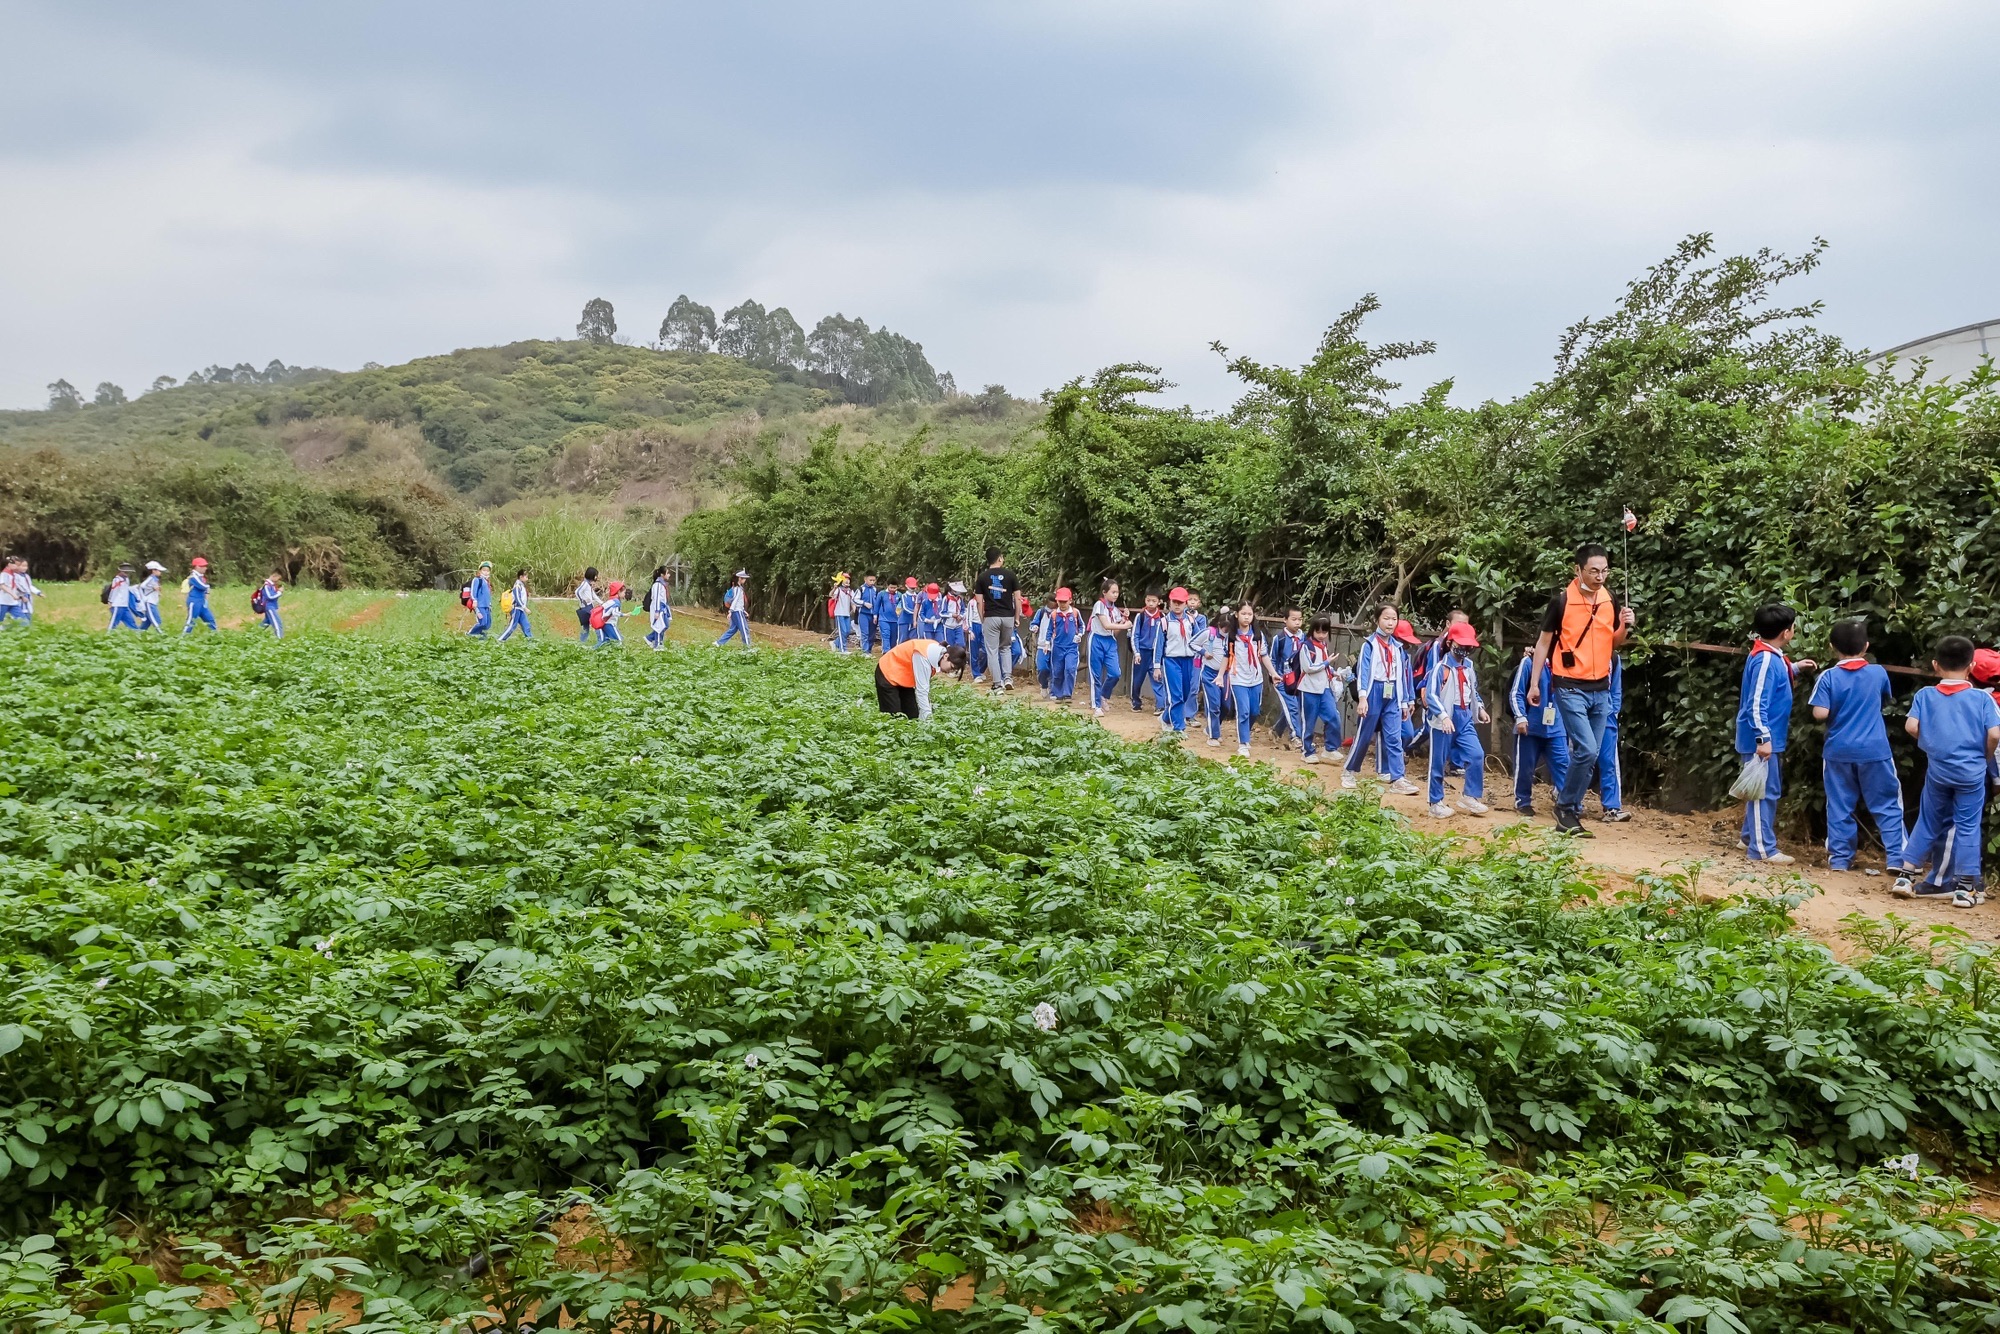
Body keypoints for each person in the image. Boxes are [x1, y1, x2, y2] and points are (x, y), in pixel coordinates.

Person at [1527, 544, 1635, 836]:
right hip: (1569, 685)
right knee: (1586, 749)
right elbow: (1544, 643)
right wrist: (1535, 683)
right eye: (1594, 571)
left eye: (1605, 571)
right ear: (1578, 570)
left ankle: (1568, 812)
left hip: (1602, 687)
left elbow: (1613, 643)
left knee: (1591, 752)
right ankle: (1565, 806)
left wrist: (1625, 627)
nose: (1600, 576)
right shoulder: (1561, 601)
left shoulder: (1609, 599)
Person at [1896, 634, 2000, 906]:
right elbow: (1994, 733)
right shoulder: (1981, 699)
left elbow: (1911, 727)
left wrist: (1931, 746)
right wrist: (1985, 755)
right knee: (1967, 826)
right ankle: (1965, 889)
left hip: (1939, 771)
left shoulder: (1925, 695)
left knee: (1928, 821)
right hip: (1972, 774)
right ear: (1972, 666)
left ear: (1935, 665)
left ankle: (1905, 876)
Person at [1809, 617, 1904, 873]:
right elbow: (1886, 700)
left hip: (1838, 751)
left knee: (1840, 805)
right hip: (1875, 750)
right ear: (1866, 646)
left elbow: (1819, 713)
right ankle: (1897, 858)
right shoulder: (1878, 672)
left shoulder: (1828, 676)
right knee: (1887, 804)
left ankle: (1840, 859)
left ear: (1831, 647)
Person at [1735, 603, 1816, 864]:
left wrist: (1793, 668)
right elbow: (1756, 703)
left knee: (1762, 787)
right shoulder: (1767, 659)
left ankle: (1750, 837)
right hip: (1763, 739)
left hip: (1766, 737)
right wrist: (1763, 739)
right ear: (1786, 632)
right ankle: (1761, 849)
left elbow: (1769, 680)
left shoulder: (1770, 655)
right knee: (1763, 792)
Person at [1343, 603, 1419, 795]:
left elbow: (1401, 677)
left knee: (1394, 737)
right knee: (1364, 735)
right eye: (1386, 618)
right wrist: (1362, 698)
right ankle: (1349, 771)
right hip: (1373, 692)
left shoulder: (1398, 647)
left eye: (1394, 619)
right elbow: (1364, 673)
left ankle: (1398, 778)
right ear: (1377, 620)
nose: (1390, 622)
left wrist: (1403, 703)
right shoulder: (1369, 644)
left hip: (1392, 693)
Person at [1424, 622, 1491, 818]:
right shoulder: (1441, 668)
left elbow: (1473, 690)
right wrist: (1443, 716)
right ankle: (1435, 802)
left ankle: (1470, 795)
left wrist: (1479, 708)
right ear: (1451, 642)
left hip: (1464, 718)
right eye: (1461, 645)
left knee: (1476, 754)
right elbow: (1431, 695)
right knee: (1438, 762)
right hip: (1443, 720)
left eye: (1468, 646)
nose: (1464, 650)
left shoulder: (1469, 667)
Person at [1509, 650, 1568, 815]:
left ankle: (1568, 803)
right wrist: (1520, 716)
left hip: (1556, 726)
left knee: (1564, 764)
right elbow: (1516, 692)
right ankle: (1523, 801)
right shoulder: (1529, 662)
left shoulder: (1564, 662)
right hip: (1531, 725)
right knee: (1525, 768)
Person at [875, 637, 970, 720]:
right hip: (887, 672)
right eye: (952, 667)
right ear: (946, 656)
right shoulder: (922, 656)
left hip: (902, 677)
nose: (950, 671)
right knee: (894, 716)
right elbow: (922, 691)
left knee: (912, 715)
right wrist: (928, 720)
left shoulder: (937, 652)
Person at [1221, 601, 1267, 759]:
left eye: (1249, 614)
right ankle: (1243, 743)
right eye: (1243, 614)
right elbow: (1226, 657)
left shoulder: (1258, 636)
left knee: (1255, 711)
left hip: (1256, 678)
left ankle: (1245, 733)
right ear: (1236, 614)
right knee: (1244, 711)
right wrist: (1220, 676)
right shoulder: (1231, 637)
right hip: (1238, 678)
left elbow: (1264, 655)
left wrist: (1273, 673)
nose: (1247, 617)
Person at [1154, 587, 1204, 734]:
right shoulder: (1164, 622)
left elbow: (1197, 639)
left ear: (1186, 603)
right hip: (1171, 661)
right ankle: (1179, 727)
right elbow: (1158, 646)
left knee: (1186, 692)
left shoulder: (1190, 621)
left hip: (1188, 660)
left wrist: (1203, 653)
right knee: (1176, 695)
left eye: (1180, 602)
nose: (1177, 605)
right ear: (1170, 602)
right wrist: (1157, 666)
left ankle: (1165, 718)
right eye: (1174, 602)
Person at [1297, 615, 1341, 764]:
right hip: (1309, 689)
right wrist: (1327, 662)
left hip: (1324, 688)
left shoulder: (1323, 646)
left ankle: (1330, 749)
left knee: (1333, 716)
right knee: (1309, 722)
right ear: (1312, 631)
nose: (1321, 635)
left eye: (1325, 632)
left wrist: (1334, 673)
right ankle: (1307, 751)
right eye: (1318, 632)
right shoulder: (1306, 646)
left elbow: (1324, 666)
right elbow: (1308, 667)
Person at [978, 548, 1023, 693]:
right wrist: (1016, 617)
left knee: (992, 651)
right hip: (1007, 616)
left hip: (991, 616)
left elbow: (979, 602)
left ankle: (997, 684)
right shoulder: (1010, 575)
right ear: (1000, 558)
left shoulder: (982, 577)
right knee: (1005, 648)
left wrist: (982, 618)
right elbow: (1017, 598)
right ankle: (1008, 678)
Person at [1268, 609, 1307, 749]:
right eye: (1294, 619)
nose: (1297, 622)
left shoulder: (1304, 638)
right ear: (1285, 620)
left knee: (1293, 708)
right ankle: (1295, 737)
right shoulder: (1280, 639)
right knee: (1293, 707)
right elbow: (1272, 659)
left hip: (1298, 681)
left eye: (1300, 619)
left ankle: (1276, 730)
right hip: (1282, 680)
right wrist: (1274, 675)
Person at [1088, 579, 1127, 717]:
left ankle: (1104, 695)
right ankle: (1096, 705)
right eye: (1113, 592)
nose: (1116, 595)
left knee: (1115, 673)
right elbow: (1106, 625)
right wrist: (1125, 625)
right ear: (1104, 592)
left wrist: (1122, 621)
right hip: (1097, 639)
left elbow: (1113, 632)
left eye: (1117, 592)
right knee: (1096, 674)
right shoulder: (1099, 605)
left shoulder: (1115, 610)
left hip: (1110, 641)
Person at [1197, 605, 1230, 747]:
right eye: (1225, 629)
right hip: (1209, 673)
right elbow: (1193, 643)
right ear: (1219, 625)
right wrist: (1204, 653)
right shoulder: (1209, 633)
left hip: (1225, 674)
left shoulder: (1232, 637)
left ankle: (1211, 727)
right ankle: (1213, 736)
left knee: (1226, 706)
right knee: (1214, 705)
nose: (1226, 631)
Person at [1044, 588, 1084, 704]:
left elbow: (1082, 626)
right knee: (1057, 671)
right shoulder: (1054, 614)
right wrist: (1047, 643)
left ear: (1070, 601)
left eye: (1064, 601)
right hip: (1058, 647)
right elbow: (1050, 630)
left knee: (1070, 669)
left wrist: (1079, 635)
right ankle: (1058, 694)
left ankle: (1067, 694)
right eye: (1060, 601)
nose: (1062, 604)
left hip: (1071, 647)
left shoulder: (1075, 613)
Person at [1129, 591, 1164, 711]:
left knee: (1157, 678)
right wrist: (1137, 653)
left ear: (1159, 602)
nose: (1151, 603)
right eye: (1148, 600)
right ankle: (1136, 702)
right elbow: (1135, 636)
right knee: (1137, 679)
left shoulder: (1162, 618)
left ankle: (1160, 705)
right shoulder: (1141, 616)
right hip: (1142, 652)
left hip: (1155, 653)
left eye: (1154, 601)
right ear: (1145, 600)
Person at [715, 570, 752, 647]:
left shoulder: (736, 588)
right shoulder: (738, 589)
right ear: (740, 579)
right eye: (744, 578)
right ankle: (747, 647)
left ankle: (719, 643)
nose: (745, 580)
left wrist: (743, 611)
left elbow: (738, 602)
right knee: (745, 630)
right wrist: (731, 611)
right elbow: (735, 601)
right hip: (737, 612)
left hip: (738, 611)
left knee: (733, 629)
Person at [181, 558, 217, 634]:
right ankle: (182, 638)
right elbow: (202, 586)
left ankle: (216, 636)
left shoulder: (201, 577)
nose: (205, 568)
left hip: (202, 602)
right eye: (203, 566)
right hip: (194, 601)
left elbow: (205, 589)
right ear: (197, 567)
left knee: (210, 619)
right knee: (191, 621)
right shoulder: (193, 577)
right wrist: (208, 587)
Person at [0, 556, 38, 626]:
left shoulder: (14, 575)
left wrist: (21, 596)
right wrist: (13, 595)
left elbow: (15, 588)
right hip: (3, 602)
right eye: (16, 565)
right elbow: (2, 586)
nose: (18, 567)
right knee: (1, 620)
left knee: (23, 621)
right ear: (9, 564)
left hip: (13, 603)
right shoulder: (4, 574)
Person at [500, 568, 534, 642]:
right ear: (521, 577)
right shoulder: (517, 585)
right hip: (516, 608)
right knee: (512, 626)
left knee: (526, 626)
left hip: (520, 609)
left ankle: (531, 641)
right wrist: (525, 608)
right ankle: (500, 640)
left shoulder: (521, 585)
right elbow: (518, 598)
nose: (527, 578)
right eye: (526, 577)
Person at [645, 566, 673, 650]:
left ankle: (649, 638)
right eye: (667, 573)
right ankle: (657, 645)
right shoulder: (657, 585)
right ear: (662, 574)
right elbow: (656, 598)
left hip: (663, 608)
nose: (669, 575)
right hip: (658, 608)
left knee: (665, 625)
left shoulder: (662, 584)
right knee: (659, 626)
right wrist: (657, 611)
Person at [830, 573, 858, 653]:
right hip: (839, 613)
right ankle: (843, 650)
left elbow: (853, 602)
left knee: (848, 631)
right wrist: (834, 588)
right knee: (843, 631)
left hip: (847, 614)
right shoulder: (838, 590)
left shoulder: (850, 591)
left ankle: (835, 643)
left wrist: (855, 610)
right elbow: (831, 595)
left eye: (848, 581)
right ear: (841, 581)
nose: (847, 582)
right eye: (845, 580)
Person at [107, 564, 139, 631]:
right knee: (114, 622)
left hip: (124, 605)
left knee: (131, 621)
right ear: (120, 571)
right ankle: (108, 635)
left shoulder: (127, 580)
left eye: (128, 572)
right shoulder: (117, 580)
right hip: (117, 605)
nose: (126, 574)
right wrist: (110, 601)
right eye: (125, 572)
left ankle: (137, 635)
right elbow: (114, 591)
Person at [856, 574, 882, 654]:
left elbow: (878, 603)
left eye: (874, 580)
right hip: (863, 614)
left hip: (873, 615)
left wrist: (875, 615)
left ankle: (869, 651)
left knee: (872, 634)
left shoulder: (875, 590)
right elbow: (854, 600)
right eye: (870, 580)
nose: (872, 582)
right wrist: (864, 603)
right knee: (865, 633)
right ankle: (865, 652)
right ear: (865, 579)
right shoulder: (861, 589)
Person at [136, 561, 166, 630]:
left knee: (145, 624)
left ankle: (138, 634)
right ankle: (161, 635)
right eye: (159, 570)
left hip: (153, 602)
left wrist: (158, 592)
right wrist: (152, 588)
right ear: (153, 571)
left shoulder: (155, 579)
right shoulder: (150, 578)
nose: (160, 572)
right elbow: (142, 586)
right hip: (149, 603)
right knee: (157, 621)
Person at [575, 567, 601, 644]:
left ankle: (581, 642)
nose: (596, 577)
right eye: (596, 575)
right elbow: (577, 592)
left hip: (588, 607)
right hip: (587, 608)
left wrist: (601, 602)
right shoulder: (585, 584)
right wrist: (582, 600)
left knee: (585, 627)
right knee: (596, 622)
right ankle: (601, 639)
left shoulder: (588, 585)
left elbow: (593, 595)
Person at [468, 561, 494, 637]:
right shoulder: (477, 580)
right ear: (480, 571)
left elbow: (487, 595)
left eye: (487, 570)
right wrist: (474, 601)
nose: (486, 572)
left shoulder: (487, 582)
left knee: (487, 625)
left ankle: (479, 634)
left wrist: (489, 604)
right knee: (482, 622)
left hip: (486, 606)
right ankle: (470, 634)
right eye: (484, 570)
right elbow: (473, 592)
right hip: (480, 606)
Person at [596, 581, 625, 647]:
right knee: (619, 641)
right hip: (609, 624)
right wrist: (625, 614)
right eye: (624, 592)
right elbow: (615, 613)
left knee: (605, 642)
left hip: (603, 623)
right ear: (618, 592)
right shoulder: (616, 602)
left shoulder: (610, 600)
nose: (624, 594)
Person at [257, 570, 284, 639]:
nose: (278, 581)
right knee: (277, 623)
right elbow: (270, 597)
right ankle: (279, 639)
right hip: (269, 607)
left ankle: (254, 633)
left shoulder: (271, 585)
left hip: (271, 606)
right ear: (274, 576)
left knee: (266, 622)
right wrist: (279, 592)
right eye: (278, 579)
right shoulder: (267, 586)